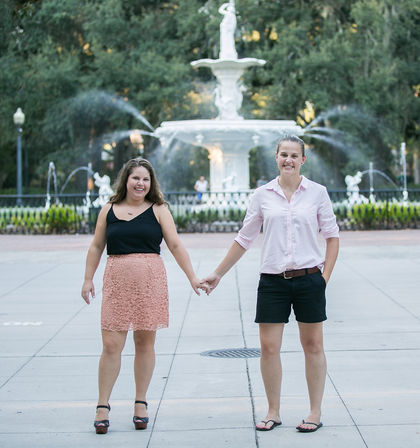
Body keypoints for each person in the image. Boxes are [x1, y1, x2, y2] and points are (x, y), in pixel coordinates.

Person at [201, 135, 339, 433]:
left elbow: (332, 236)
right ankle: (273, 411)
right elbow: (244, 238)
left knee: (313, 345)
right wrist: (218, 273)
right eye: (283, 155)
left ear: (303, 159)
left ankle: (314, 412)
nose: (288, 160)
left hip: (309, 280)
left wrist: (323, 278)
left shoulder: (317, 193)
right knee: (268, 347)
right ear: (276, 157)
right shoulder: (262, 195)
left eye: (294, 155)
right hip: (272, 282)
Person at [81, 158, 208, 434]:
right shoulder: (108, 210)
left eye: (146, 179)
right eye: (136, 178)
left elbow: (175, 244)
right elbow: (95, 247)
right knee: (111, 345)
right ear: (125, 180)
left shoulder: (159, 210)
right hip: (116, 282)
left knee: (144, 343)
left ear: (151, 184)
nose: (140, 183)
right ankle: (102, 405)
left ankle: (141, 402)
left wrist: (193, 277)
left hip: (150, 283)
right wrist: (88, 279)